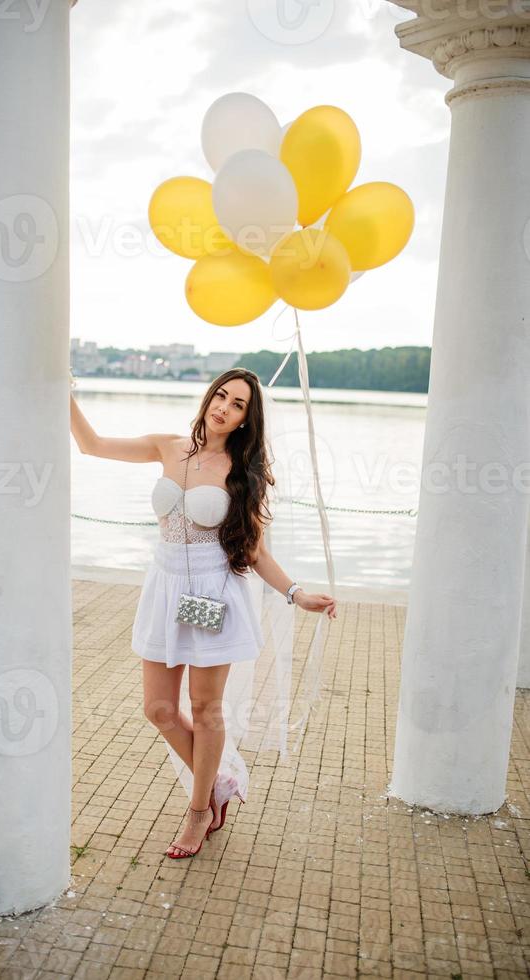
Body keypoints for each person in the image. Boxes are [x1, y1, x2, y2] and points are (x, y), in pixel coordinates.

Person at [70, 367, 337, 859]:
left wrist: (296, 593)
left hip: (211, 594)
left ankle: (198, 811)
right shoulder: (168, 447)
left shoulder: (242, 473)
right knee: (159, 710)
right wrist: (62, 395)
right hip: (165, 591)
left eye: (237, 405)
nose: (224, 407)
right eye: (221, 395)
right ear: (208, 397)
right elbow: (91, 445)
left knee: (207, 709)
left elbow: (254, 551)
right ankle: (220, 782)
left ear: (244, 420)